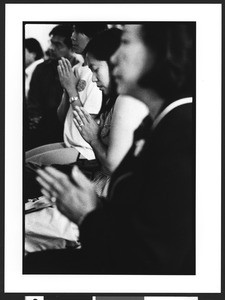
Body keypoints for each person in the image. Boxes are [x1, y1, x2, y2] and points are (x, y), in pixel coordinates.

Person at [24, 23, 195, 275]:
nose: (114, 57)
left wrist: (88, 215)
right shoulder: (160, 121)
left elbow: (149, 263)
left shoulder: (181, 133)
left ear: (161, 52)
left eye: (125, 43)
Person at [25, 23, 107, 165]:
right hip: (70, 143)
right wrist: (66, 89)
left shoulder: (96, 74)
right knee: (24, 158)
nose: (72, 36)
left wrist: (71, 89)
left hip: (85, 150)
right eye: (73, 31)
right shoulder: (76, 68)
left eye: (78, 31)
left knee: (27, 166)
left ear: (95, 37)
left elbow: (86, 124)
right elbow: (62, 117)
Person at [26, 24, 80, 149]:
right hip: (43, 128)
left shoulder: (79, 70)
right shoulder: (41, 69)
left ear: (71, 48)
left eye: (58, 45)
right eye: (52, 43)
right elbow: (33, 105)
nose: (51, 48)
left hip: (70, 130)